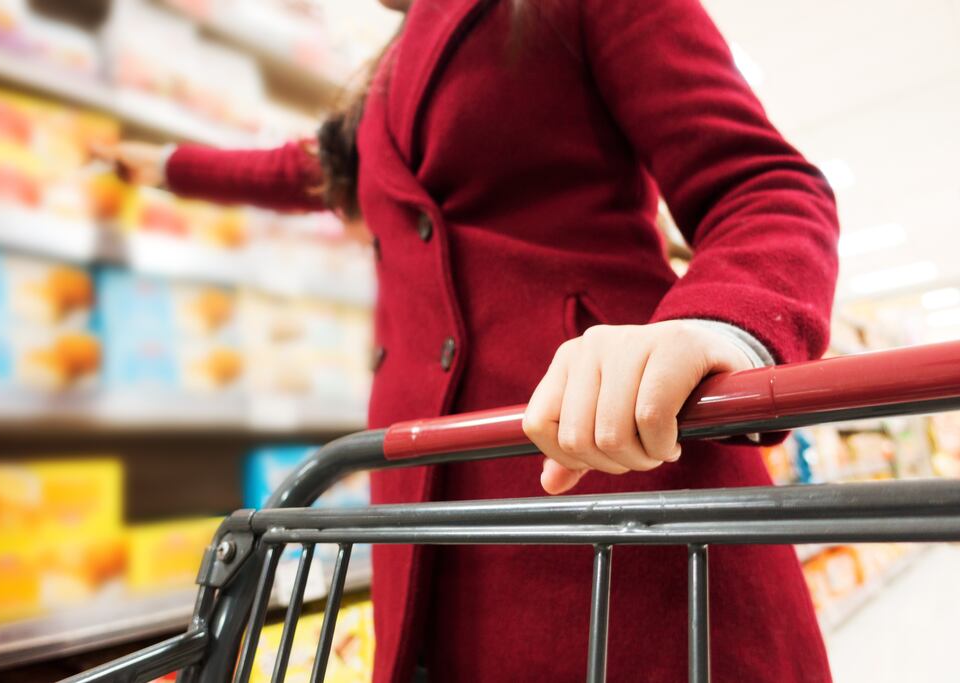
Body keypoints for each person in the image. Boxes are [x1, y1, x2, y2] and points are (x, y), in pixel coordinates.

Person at [102, 0, 838, 680]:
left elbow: (765, 186)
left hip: (607, 462)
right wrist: (164, 166)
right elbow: (301, 170)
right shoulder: (382, 82)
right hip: (423, 498)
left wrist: (712, 324)